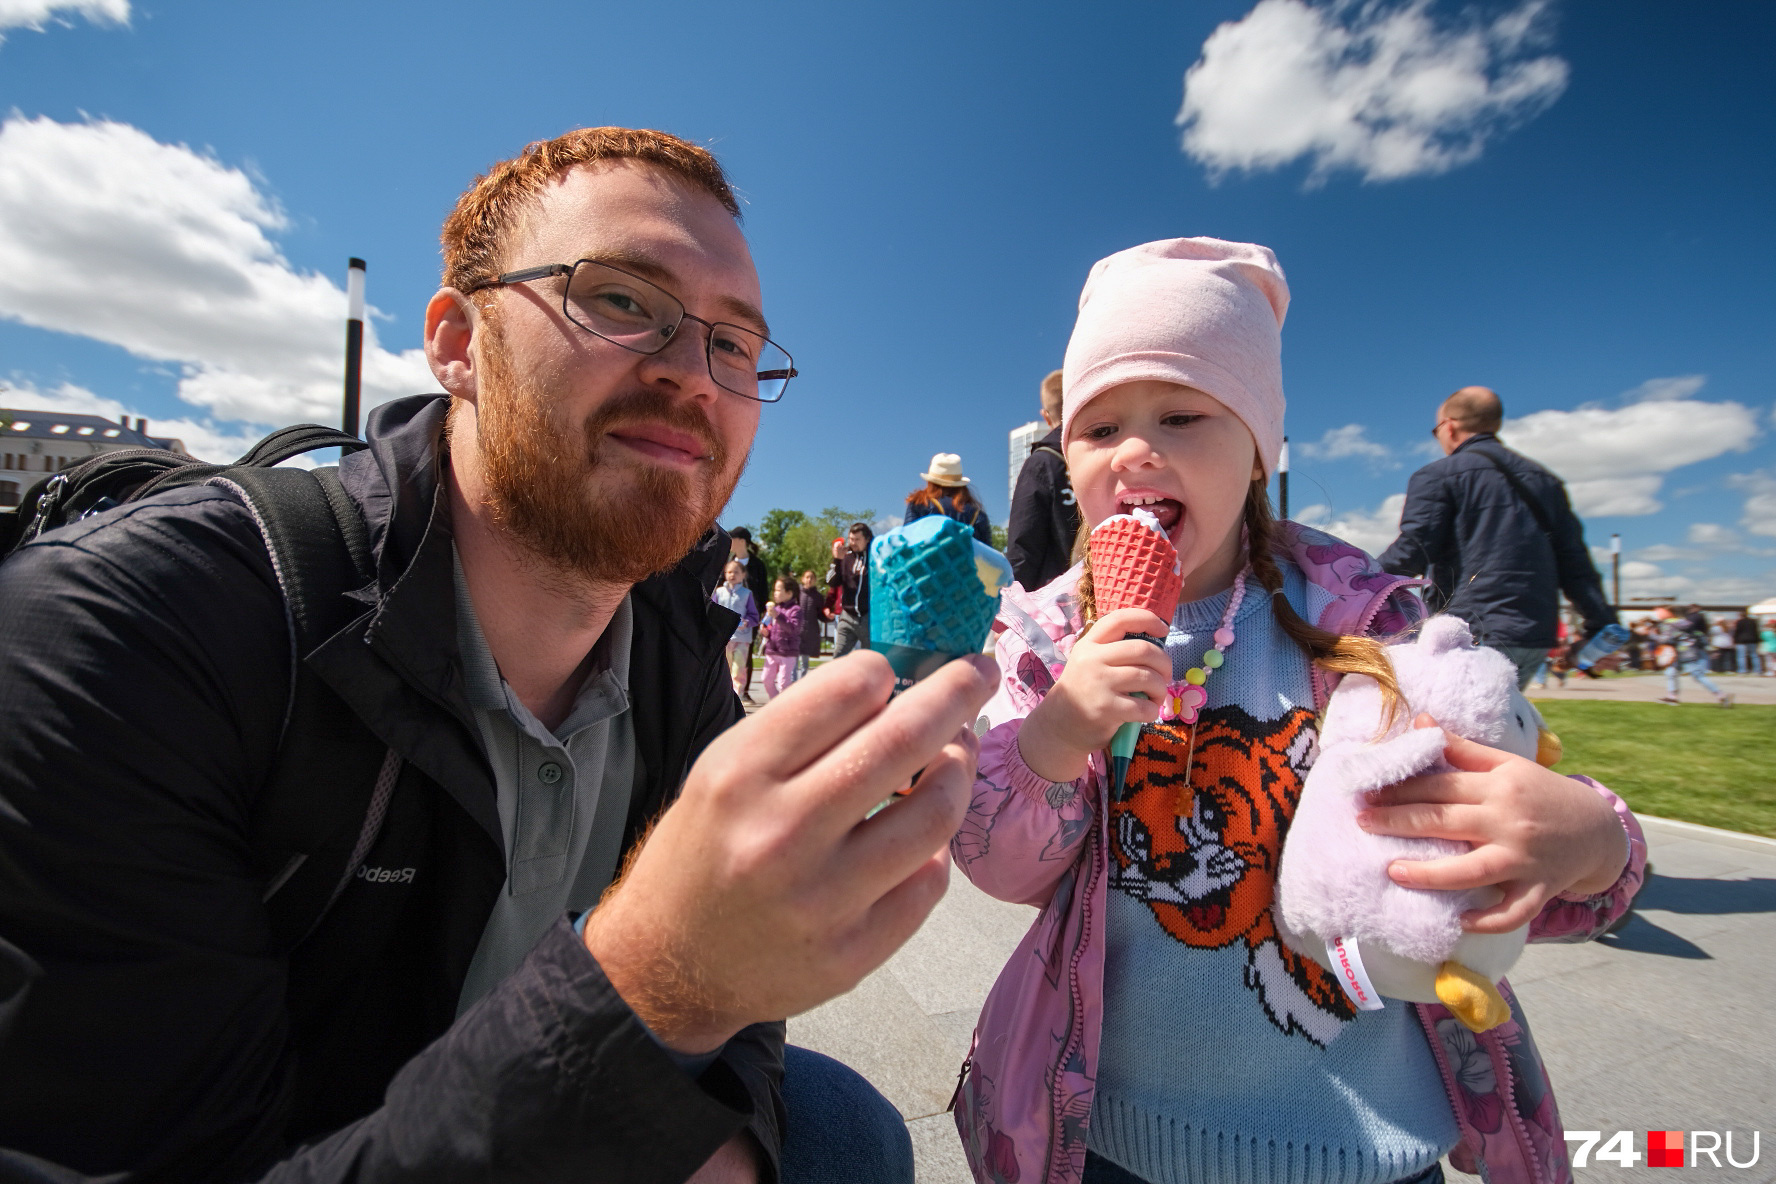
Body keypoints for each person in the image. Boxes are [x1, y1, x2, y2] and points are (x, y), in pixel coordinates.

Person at [0, 126, 1000, 1184]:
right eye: (619, 298)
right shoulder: (137, 627)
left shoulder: (677, 642)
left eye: (735, 344)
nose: (694, 375)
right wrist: (659, 982)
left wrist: (726, 1129)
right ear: (456, 342)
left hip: (536, 1108)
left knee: (848, 1132)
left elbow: (737, 1010)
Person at [948, 238, 1644, 1184]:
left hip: (1369, 1143)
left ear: (1261, 449)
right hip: (1110, 1134)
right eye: (1098, 428)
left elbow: (1485, 877)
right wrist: (1056, 734)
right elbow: (1001, 868)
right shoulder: (1042, 638)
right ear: (1064, 457)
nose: (1137, 449)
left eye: (1184, 414)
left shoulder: (1362, 626)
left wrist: (1589, 841)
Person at [1378, 386, 1616, 689]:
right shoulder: (1545, 481)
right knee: (1496, 731)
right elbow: (1576, 565)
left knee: (1449, 732)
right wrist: (1601, 628)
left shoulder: (1438, 475)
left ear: (1449, 427)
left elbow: (1413, 550)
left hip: (1469, 631)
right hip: (1532, 637)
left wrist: (1352, 577)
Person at [1005, 368, 1083, 590]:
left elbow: (1023, 549)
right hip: (1112, 594)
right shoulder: (1107, 454)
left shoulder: (1042, 463)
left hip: (1060, 603)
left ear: (1045, 416)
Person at [1652, 604, 1732, 706]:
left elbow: (1665, 639)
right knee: (1671, 672)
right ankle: (1672, 697)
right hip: (1688, 651)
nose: (1657, 614)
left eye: (1659, 612)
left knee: (1697, 675)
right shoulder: (1682, 622)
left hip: (1683, 652)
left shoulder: (1668, 624)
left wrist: (1653, 635)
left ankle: (1721, 695)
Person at [904, 453, 992, 546]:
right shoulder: (978, 515)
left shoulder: (919, 504)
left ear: (930, 481)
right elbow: (988, 556)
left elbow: (906, 541)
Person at [727, 525, 770, 702]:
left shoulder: (757, 565)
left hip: (748, 617)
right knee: (727, 655)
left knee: (746, 653)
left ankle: (742, 691)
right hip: (729, 615)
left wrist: (760, 615)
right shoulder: (728, 561)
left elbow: (763, 590)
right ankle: (727, 691)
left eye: (732, 539)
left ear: (742, 541)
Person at [714, 558, 761, 696]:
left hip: (741, 638)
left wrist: (746, 622)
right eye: (729, 572)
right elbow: (712, 614)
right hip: (723, 639)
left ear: (743, 575)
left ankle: (737, 698)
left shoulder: (747, 594)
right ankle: (723, 699)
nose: (732, 575)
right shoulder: (718, 592)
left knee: (739, 670)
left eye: (736, 572)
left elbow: (754, 617)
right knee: (723, 671)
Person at [826, 522, 873, 658]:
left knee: (868, 659)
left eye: (857, 539)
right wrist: (837, 560)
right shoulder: (845, 556)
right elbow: (831, 582)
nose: (853, 543)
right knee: (838, 656)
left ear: (867, 539)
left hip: (867, 617)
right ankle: (836, 680)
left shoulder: (875, 556)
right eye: (851, 539)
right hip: (847, 616)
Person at [759, 577, 803, 700]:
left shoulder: (796, 610)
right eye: (774, 590)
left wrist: (778, 616)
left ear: (789, 593)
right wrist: (766, 632)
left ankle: (784, 705)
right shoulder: (775, 609)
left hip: (788, 652)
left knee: (783, 682)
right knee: (766, 679)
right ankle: (776, 702)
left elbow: (793, 629)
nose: (775, 593)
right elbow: (771, 627)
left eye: (778, 590)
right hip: (772, 650)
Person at [796, 569, 824, 680]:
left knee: (804, 660)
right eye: (807, 577)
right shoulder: (797, 594)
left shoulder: (818, 596)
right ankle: (792, 682)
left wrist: (828, 615)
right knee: (793, 658)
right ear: (802, 579)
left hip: (810, 631)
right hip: (797, 630)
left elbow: (821, 614)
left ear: (815, 580)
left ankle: (801, 681)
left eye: (812, 577)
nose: (809, 580)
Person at [1733, 610, 1761, 675]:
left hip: (1741, 641)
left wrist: (1735, 640)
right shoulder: (1753, 621)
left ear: (1740, 615)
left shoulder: (1739, 622)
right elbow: (1756, 631)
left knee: (1741, 656)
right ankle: (1757, 670)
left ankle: (1742, 670)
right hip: (1752, 640)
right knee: (1754, 655)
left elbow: (1737, 632)